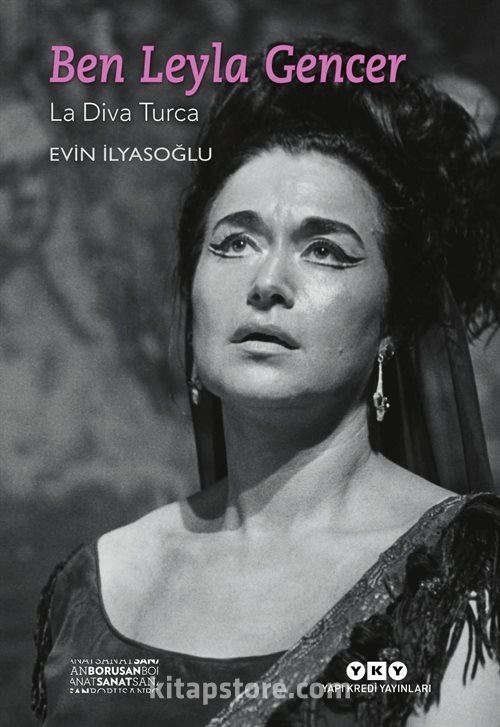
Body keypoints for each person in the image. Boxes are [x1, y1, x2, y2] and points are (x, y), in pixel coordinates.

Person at [32, 38, 500, 727]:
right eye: (234, 243)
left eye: (325, 249)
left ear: (392, 323)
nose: (268, 282)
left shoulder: (459, 578)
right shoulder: (96, 586)